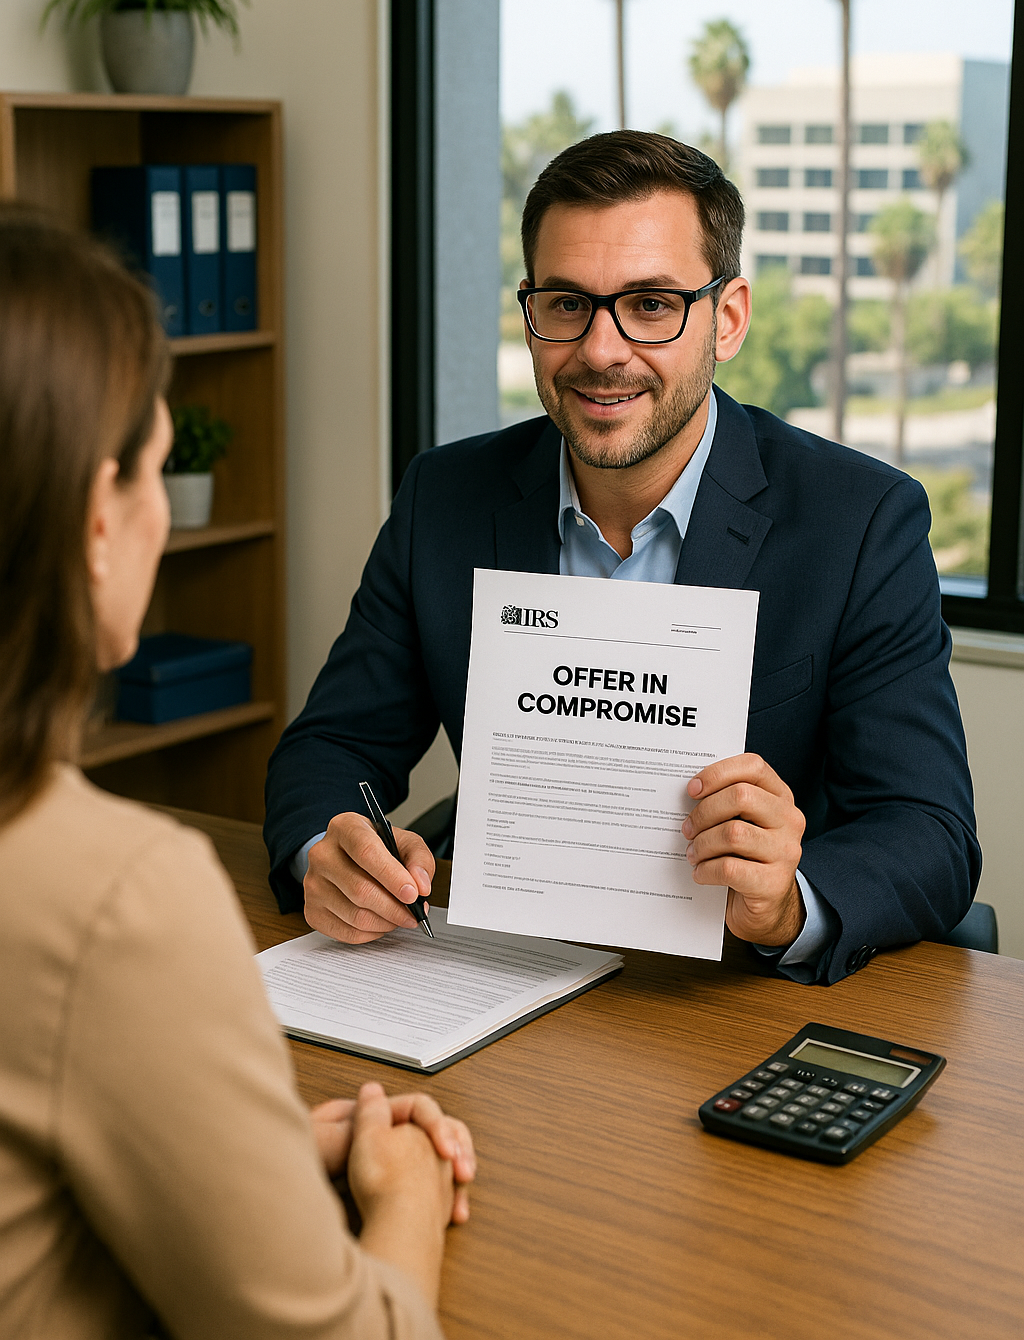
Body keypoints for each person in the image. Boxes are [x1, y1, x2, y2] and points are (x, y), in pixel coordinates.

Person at [264, 132, 979, 986]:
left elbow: (928, 830)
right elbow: (331, 746)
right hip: (496, 966)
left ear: (728, 318)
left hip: (726, 993)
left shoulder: (860, 522)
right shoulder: (443, 498)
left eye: (649, 304)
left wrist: (788, 904)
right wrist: (326, 851)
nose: (601, 351)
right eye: (567, 303)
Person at [0, 205, 475, 1340]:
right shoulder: (111, 895)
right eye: (157, 468)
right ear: (96, 523)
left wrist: (233, 1159)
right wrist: (407, 1189)